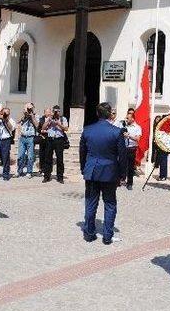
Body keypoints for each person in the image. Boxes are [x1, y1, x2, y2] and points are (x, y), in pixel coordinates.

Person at [79, 102, 127, 245]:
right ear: (109, 114)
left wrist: (84, 169)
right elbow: (122, 156)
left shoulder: (87, 130)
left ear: (97, 114)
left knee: (91, 203)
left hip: (92, 171)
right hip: (110, 172)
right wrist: (122, 175)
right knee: (110, 204)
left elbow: (82, 152)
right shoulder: (116, 131)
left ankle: (89, 233)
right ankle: (107, 236)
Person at [42, 105, 69, 184]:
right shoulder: (49, 118)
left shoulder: (63, 119)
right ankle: (46, 176)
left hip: (59, 140)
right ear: (52, 112)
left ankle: (60, 177)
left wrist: (58, 124)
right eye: (54, 111)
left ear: (60, 112)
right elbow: (43, 128)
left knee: (60, 159)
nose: (56, 113)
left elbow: (66, 129)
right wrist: (48, 121)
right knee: (48, 158)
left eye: (57, 111)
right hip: (50, 139)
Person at [17, 103, 39, 178]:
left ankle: (29, 172)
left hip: (31, 138)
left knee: (30, 156)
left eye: (30, 108)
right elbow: (18, 121)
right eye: (28, 107)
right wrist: (24, 114)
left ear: (33, 108)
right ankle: (19, 171)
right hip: (22, 137)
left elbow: (37, 125)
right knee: (20, 156)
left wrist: (32, 116)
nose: (29, 109)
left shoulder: (36, 116)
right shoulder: (23, 115)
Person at [121, 112, 142, 190]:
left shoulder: (137, 128)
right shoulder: (124, 126)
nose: (126, 120)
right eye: (126, 118)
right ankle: (122, 180)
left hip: (131, 149)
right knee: (122, 165)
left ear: (132, 119)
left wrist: (128, 136)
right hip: (123, 148)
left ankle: (129, 183)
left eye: (128, 118)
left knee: (130, 167)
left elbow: (137, 139)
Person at [37, 108, 52, 174]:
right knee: (42, 154)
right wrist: (42, 131)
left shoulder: (53, 119)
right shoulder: (41, 119)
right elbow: (39, 129)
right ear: (44, 113)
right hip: (43, 138)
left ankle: (48, 169)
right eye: (47, 112)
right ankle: (41, 168)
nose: (49, 113)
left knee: (48, 154)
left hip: (50, 138)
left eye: (49, 112)